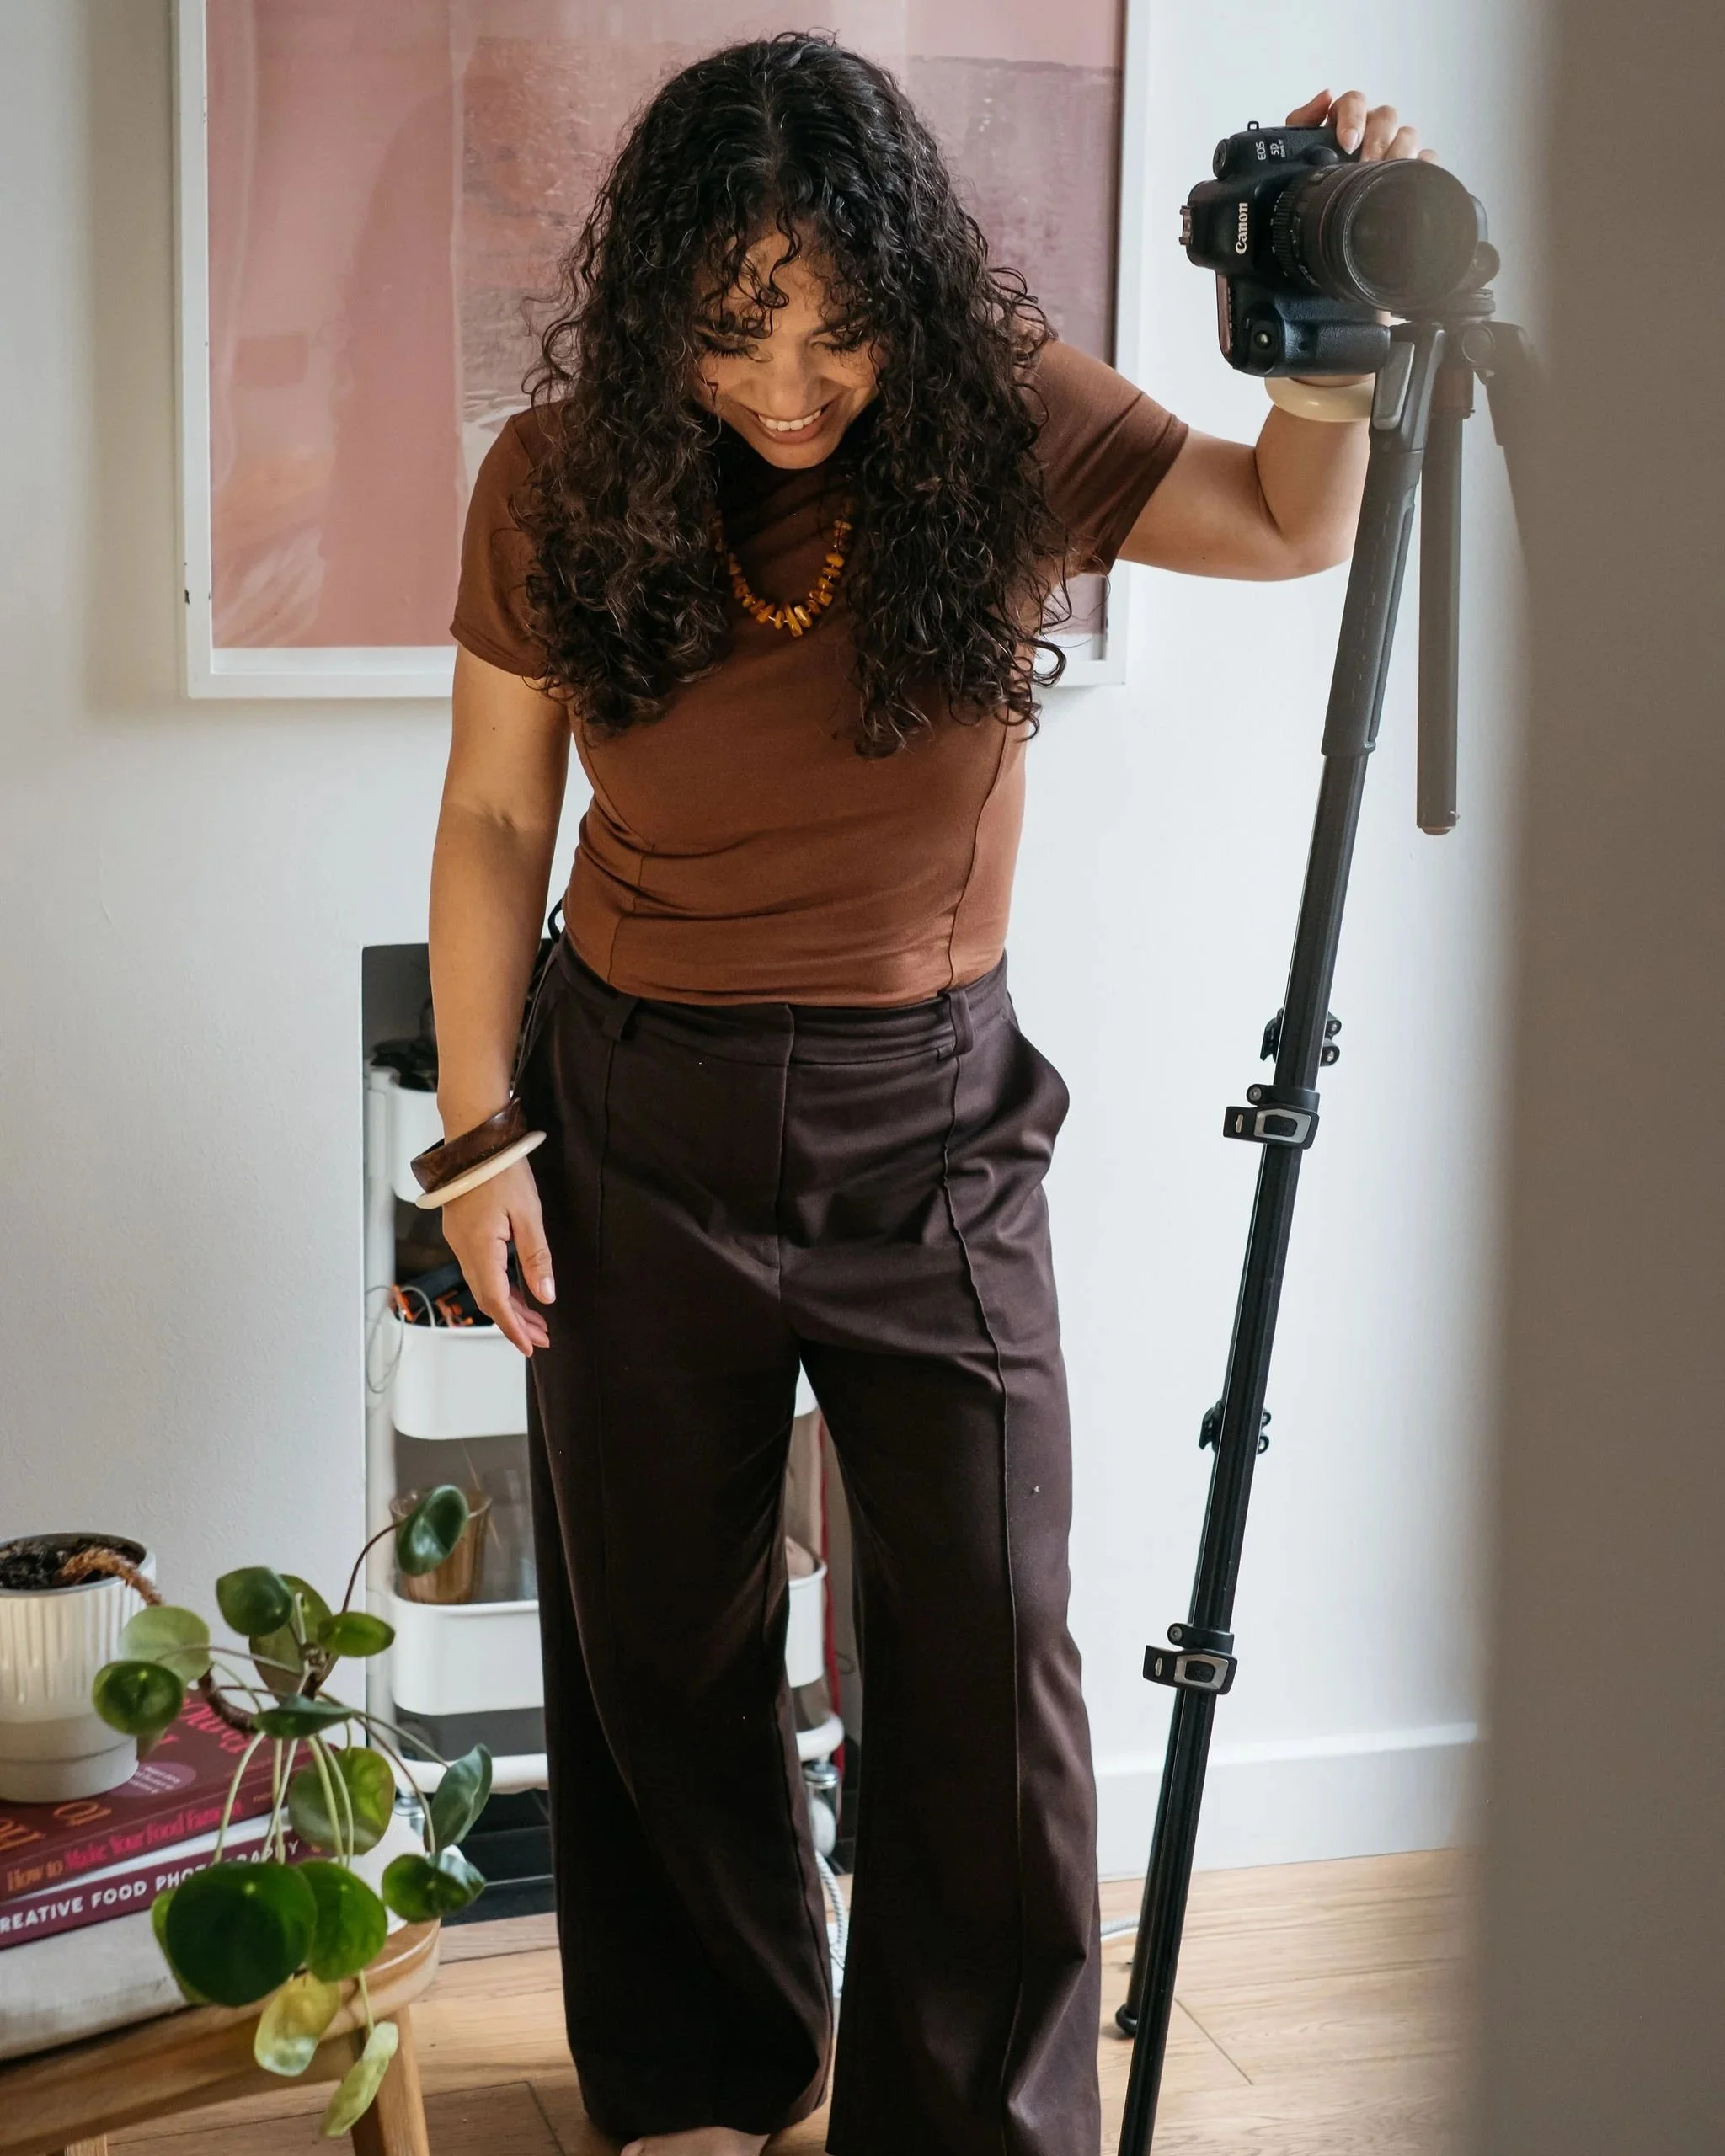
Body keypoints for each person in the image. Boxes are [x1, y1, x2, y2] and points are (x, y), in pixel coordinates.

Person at [423, 35, 1429, 2156]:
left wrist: (1324, 321)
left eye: (841, 327)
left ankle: (963, 2114)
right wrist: (477, 1134)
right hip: (628, 1104)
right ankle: (708, 2073)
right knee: (661, 1635)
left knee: (982, 1637)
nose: (789, 383)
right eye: (732, 330)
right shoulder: (550, 477)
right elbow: (495, 825)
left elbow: (1275, 523)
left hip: (930, 1119)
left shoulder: (1002, 429)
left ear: (910, 292)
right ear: (654, 307)